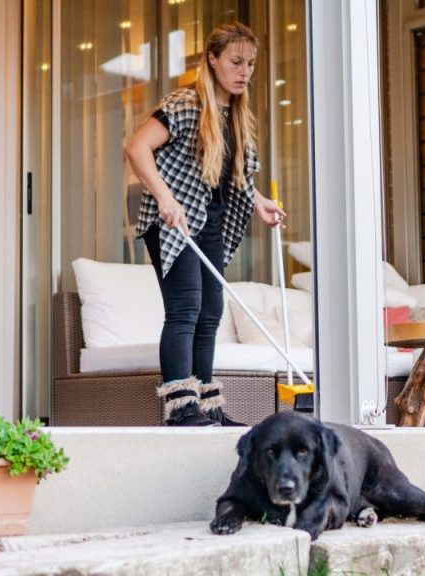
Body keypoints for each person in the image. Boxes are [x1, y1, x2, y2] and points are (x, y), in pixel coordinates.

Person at [126, 22, 285, 427]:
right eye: (235, 61)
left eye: (250, 63)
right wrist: (165, 197)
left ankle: (207, 406)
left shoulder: (235, 114)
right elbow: (136, 146)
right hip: (173, 221)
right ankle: (181, 408)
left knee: (211, 311)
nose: (244, 71)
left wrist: (261, 203)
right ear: (212, 60)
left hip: (208, 223)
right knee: (186, 308)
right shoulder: (184, 104)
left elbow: (236, 178)